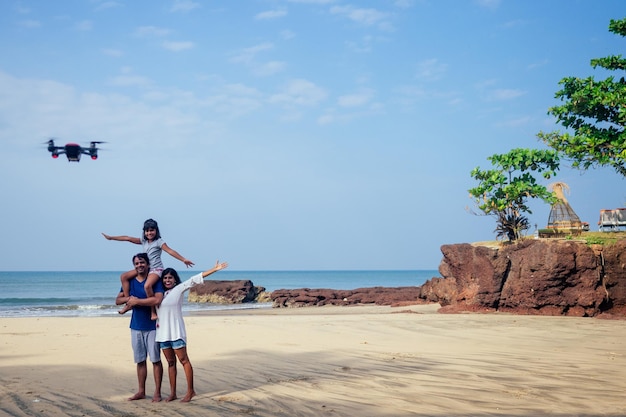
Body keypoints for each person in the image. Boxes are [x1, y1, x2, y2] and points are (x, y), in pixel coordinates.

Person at [156, 261, 228, 402]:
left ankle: (191, 391)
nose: (167, 280)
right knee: (170, 363)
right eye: (165, 278)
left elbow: (195, 279)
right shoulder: (159, 294)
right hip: (162, 334)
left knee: (184, 361)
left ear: (175, 279)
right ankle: (173, 393)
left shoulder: (178, 289)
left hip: (176, 332)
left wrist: (214, 269)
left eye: (170, 278)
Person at [103, 218, 194, 319]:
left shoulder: (159, 242)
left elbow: (170, 251)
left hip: (156, 269)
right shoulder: (144, 241)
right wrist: (111, 238)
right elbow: (127, 238)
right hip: (147, 268)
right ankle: (129, 302)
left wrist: (183, 259)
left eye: (152, 230)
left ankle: (153, 311)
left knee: (147, 286)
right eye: (147, 231)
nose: (149, 233)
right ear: (144, 232)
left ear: (156, 231)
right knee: (124, 276)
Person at [116, 253, 164, 402]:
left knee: (155, 360)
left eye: (142, 262)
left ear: (148, 264)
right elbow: (118, 300)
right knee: (140, 360)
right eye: (136, 263)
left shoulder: (154, 281)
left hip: (153, 326)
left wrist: (138, 302)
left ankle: (157, 392)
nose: (139, 265)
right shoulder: (130, 281)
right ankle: (141, 391)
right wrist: (131, 299)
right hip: (136, 326)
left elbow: (157, 299)